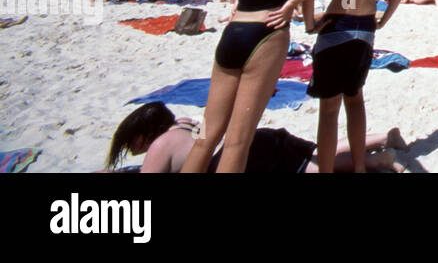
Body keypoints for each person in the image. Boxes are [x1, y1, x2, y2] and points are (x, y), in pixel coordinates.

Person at [181, 0, 334, 173]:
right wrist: (293, 2)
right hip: (267, 33)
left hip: (234, 31)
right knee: (238, 140)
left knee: (206, 134)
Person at [304, 0, 405, 173]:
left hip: (338, 28)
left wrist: (309, 24)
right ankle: (359, 167)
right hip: (365, 29)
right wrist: (383, 20)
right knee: (355, 100)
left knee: (328, 111)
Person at [107, 102, 406, 172]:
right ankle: (381, 140)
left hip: (256, 156)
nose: (131, 148)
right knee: (318, 153)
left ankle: (378, 159)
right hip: (260, 139)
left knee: (317, 166)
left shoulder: (161, 145)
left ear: (144, 134)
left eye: (130, 142)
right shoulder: (185, 122)